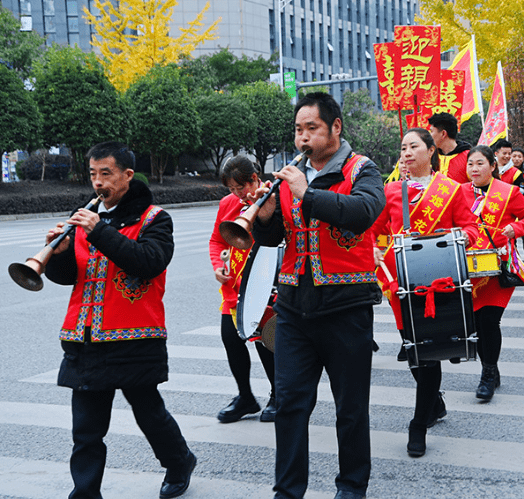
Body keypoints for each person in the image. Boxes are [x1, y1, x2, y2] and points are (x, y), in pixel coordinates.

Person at [251, 92, 385, 499]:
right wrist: (264, 215)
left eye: (311, 129)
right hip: (294, 308)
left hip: (346, 308)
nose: (303, 138)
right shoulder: (291, 175)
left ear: (335, 128)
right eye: (298, 130)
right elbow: (274, 239)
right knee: (290, 404)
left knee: (350, 408)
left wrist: (306, 192)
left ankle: (351, 486)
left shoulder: (363, 169)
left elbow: (363, 212)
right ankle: (287, 490)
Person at [44, 142, 196, 499]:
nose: (98, 182)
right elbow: (70, 277)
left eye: (106, 174)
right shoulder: (83, 216)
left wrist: (99, 231)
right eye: (93, 174)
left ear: (128, 175)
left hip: (134, 337)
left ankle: (179, 461)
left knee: (149, 414)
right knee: (85, 429)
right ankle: (85, 493)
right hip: (85, 338)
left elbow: (148, 262)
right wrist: (58, 255)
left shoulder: (155, 219)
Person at [372, 128, 478, 458]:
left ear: (431, 151)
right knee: (414, 351)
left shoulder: (451, 190)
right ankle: (436, 401)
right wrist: (373, 250)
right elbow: (373, 233)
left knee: (427, 352)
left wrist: (455, 239)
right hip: (401, 285)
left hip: (438, 283)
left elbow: (472, 229)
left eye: (414, 146)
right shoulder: (390, 192)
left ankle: (418, 424)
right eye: (403, 147)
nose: (406, 152)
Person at [462, 145, 524, 400]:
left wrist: (515, 230)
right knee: (475, 323)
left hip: (497, 267)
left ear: (493, 166)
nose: (474, 169)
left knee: (489, 321)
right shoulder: (458, 193)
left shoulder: (508, 192)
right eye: (470, 164)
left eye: (480, 164)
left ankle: (486, 374)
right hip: (468, 268)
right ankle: (491, 368)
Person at [209, 156, 277, 423]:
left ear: (254, 178)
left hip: (264, 284)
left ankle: (277, 394)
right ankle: (245, 396)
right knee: (231, 339)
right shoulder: (228, 204)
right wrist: (218, 267)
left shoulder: (272, 196)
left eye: (241, 188)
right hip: (234, 286)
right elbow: (216, 240)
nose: (237, 194)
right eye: (231, 189)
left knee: (264, 341)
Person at [427, 112, 472, 183]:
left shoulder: (469, 157)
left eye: (431, 131)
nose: (429, 135)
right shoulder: (430, 156)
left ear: (443, 134)